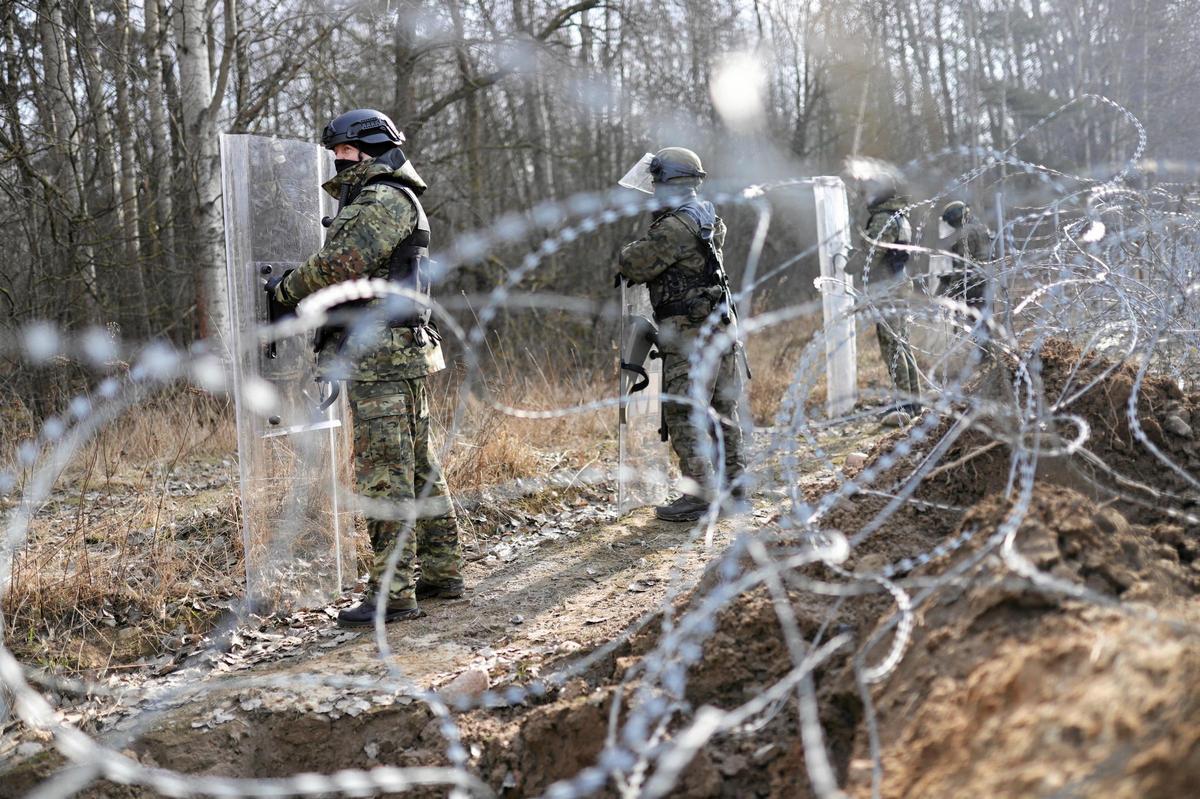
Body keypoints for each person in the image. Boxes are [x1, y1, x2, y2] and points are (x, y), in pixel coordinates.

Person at [268, 108, 464, 627]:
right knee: (417, 465)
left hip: (381, 356)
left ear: (369, 149)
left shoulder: (382, 198)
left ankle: (393, 592)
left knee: (386, 474)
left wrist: (286, 291)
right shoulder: (398, 197)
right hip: (397, 350)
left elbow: (340, 264)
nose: (336, 159)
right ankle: (441, 572)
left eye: (344, 151)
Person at [617, 147, 748, 522]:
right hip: (720, 328)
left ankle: (701, 495)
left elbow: (633, 263)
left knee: (683, 410)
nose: (654, 188)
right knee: (722, 411)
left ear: (670, 182)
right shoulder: (707, 216)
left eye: (658, 182)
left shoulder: (676, 226)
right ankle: (735, 486)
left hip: (690, 334)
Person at [857, 181, 921, 427]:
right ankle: (913, 401)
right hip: (898, 285)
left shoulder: (884, 218)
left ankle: (904, 403)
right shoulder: (899, 215)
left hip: (889, 288)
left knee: (893, 346)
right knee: (902, 344)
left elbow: (872, 252)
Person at [936, 200, 995, 358]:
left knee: (978, 321)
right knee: (983, 321)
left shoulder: (966, 233)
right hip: (984, 279)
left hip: (974, 283)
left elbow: (963, 265)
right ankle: (986, 354)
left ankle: (985, 356)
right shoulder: (980, 226)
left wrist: (951, 289)